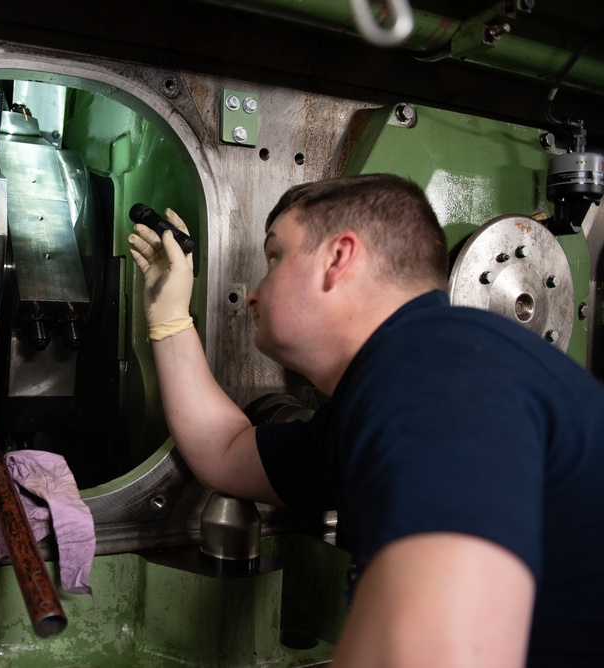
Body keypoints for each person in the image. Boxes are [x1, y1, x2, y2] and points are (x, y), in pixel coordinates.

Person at [127, 173, 604, 668]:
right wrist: (170, 320)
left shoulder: (437, 379)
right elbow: (224, 452)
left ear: (338, 259)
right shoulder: (390, 391)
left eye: (275, 257)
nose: (253, 294)